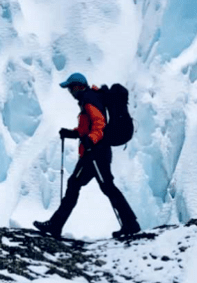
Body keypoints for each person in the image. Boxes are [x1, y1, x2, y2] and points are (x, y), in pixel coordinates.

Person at [34, 72, 140, 239]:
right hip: (95, 153)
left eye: (70, 88)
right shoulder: (89, 99)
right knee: (79, 185)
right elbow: (87, 128)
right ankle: (56, 224)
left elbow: (99, 124)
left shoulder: (89, 99)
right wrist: (71, 133)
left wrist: (91, 140)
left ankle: (130, 224)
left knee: (102, 187)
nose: (69, 92)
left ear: (77, 86)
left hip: (95, 154)